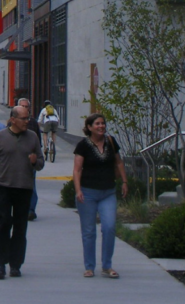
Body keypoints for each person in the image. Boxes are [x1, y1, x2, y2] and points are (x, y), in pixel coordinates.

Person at [0, 105, 44, 279]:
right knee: (3, 224)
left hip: (24, 189)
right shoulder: (0, 138)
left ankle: (16, 264)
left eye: (28, 118)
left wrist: (34, 161)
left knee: (20, 228)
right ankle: (0, 264)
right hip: (4, 188)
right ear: (13, 119)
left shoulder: (32, 138)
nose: (27, 122)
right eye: (24, 119)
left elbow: (41, 162)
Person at [72, 113, 129, 279]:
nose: (101, 126)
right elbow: (77, 169)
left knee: (109, 227)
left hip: (108, 192)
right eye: (97, 124)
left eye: (103, 123)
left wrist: (124, 181)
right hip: (87, 193)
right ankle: (89, 267)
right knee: (89, 231)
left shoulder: (111, 142)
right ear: (89, 127)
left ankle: (107, 265)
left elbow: (118, 162)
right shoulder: (83, 145)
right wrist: (78, 190)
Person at [17, 97, 42, 221]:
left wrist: (37, 158)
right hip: (16, 160)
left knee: (31, 185)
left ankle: (31, 210)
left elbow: (39, 142)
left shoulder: (33, 123)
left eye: (27, 107)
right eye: (22, 106)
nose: (25, 109)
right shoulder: (12, 122)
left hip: (30, 160)